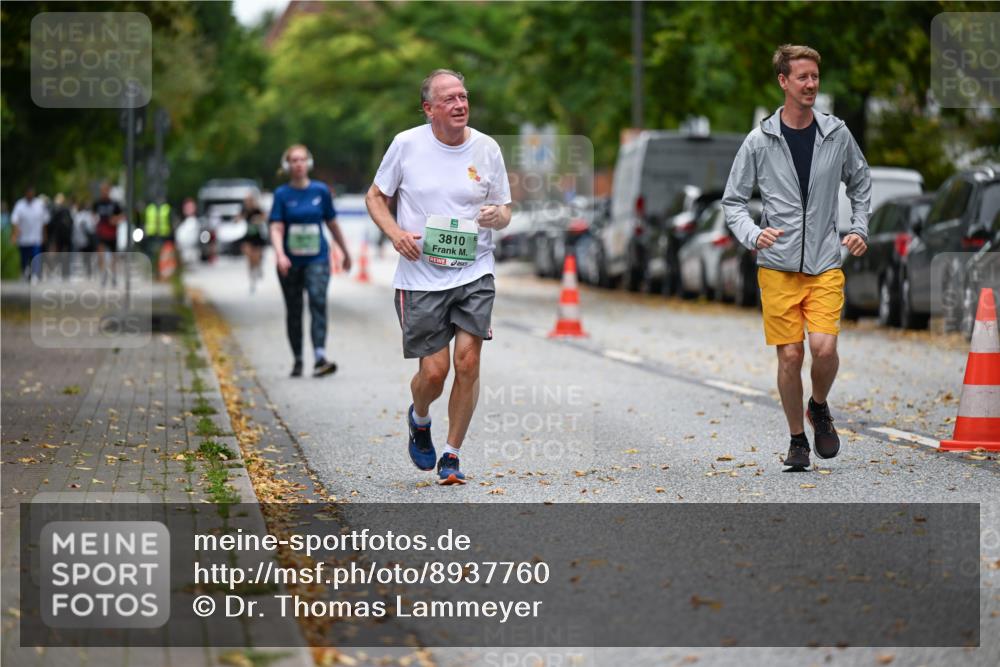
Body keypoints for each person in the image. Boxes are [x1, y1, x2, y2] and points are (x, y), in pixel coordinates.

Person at [723, 44, 871, 472]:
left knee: (823, 350)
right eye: (802, 77)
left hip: (825, 261)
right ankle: (796, 441)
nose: (811, 84)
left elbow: (860, 181)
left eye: (815, 77)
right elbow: (733, 201)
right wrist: (753, 233)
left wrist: (858, 227)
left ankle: (819, 405)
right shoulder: (760, 139)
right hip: (777, 266)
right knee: (790, 356)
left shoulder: (836, 134)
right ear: (783, 82)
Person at [365, 69, 512, 485]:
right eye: (449, 99)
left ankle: (452, 454)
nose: (460, 104)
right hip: (420, 276)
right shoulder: (406, 145)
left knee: (467, 361)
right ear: (429, 109)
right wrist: (395, 234)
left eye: (463, 96)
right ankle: (420, 416)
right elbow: (375, 197)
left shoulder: (487, 149)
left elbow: (504, 210)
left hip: (474, 270)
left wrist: (495, 216)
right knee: (434, 374)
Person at [269, 144, 352, 378]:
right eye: (293, 160)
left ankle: (319, 356)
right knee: (294, 309)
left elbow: (332, 223)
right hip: (290, 262)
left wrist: (345, 251)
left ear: (309, 163)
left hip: (317, 258)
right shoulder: (281, 195)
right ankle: (297, 358)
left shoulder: (320, 192)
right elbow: (276, 227)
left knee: (317, 301)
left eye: (302, 160)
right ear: (287, 165)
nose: (298, 164)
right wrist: (280, 254)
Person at [11, 186, 49, 281]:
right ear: (26, 194)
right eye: (28, 193)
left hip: (36, 238)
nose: (30, 195)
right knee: (24, 260)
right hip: (23, 239)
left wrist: (45, 234)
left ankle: (35, 274)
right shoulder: (20, 205)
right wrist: (15, 234)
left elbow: (45, 221)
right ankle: (25, 272)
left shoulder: (40, 204)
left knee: (36, 257)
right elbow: (15, 220)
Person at [92, 182, 123, 285]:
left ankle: (113, 275)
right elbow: (93, 215)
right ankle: (103, 274)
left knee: (114, 256)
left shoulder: (114, 204)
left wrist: (115, 219)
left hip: (112, 233)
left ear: (109, 191)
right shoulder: (97, 203)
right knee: (100, 253)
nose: (104, 192)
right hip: (101, 232)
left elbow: (122, 216)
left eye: (106, 190)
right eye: (102, 190)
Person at [240, 193, 268, 293]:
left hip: (257, 237)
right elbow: (238, 218)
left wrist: (258, 219)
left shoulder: (257, 210)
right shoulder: (244, 210)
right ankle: (252, 276)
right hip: (248, 237)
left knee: (256, 257)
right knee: (249, 256)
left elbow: (265, 217)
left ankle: (258, 267)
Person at [47, 193, 75, 279]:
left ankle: (62, 272)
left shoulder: (58, 210)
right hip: (61, 236)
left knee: (61, 254)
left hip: (61, 236)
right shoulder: (63, 210)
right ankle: (63, 272)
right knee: (61, 254)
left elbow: (51, 224)